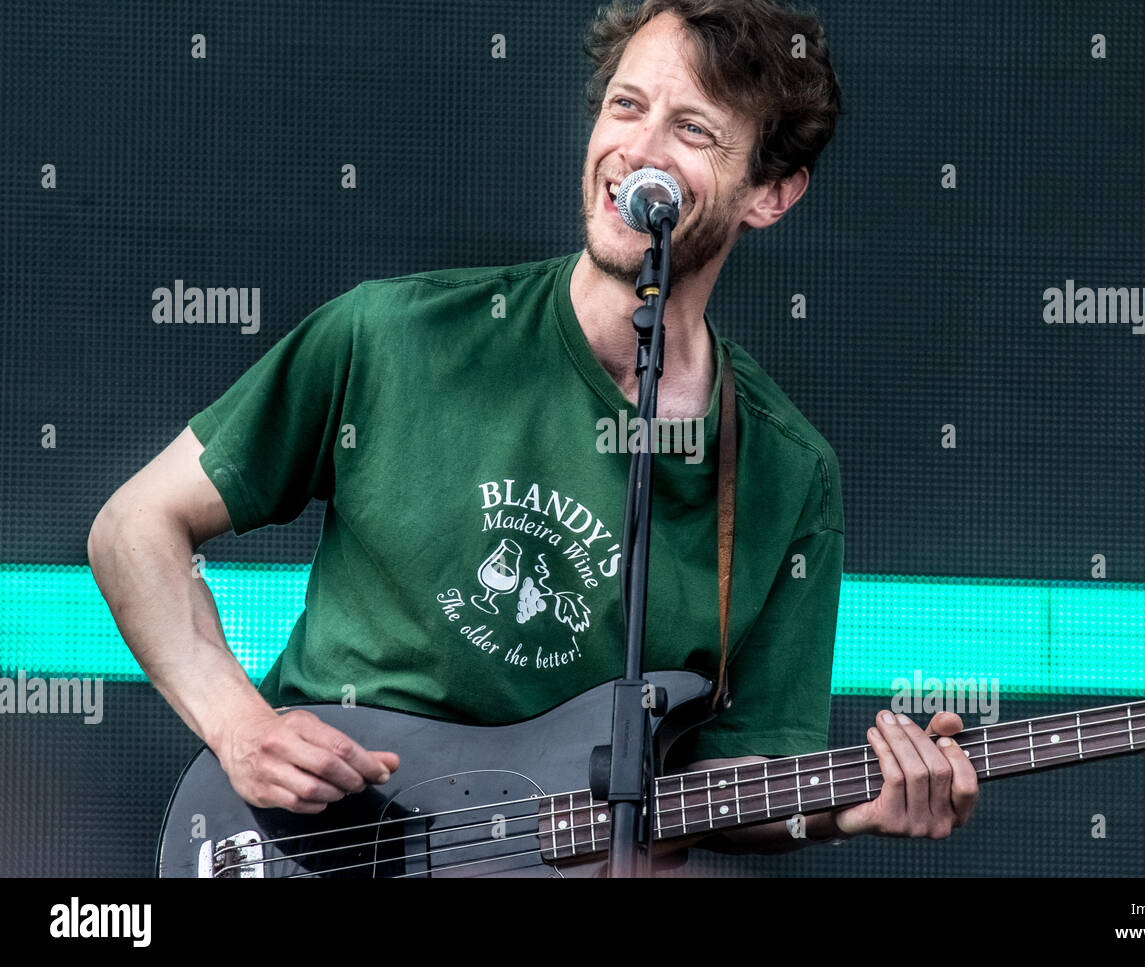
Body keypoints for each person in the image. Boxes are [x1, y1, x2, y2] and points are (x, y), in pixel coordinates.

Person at [87, 0, 977, 860]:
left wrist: (847, 808)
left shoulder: (787, 474)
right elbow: (135, 528)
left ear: (772, 193)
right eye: (628, 106)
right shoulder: (394, 336)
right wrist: (239, 726)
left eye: (694, 131)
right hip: (310, 850)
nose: (641, 151)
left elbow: (732, 785)